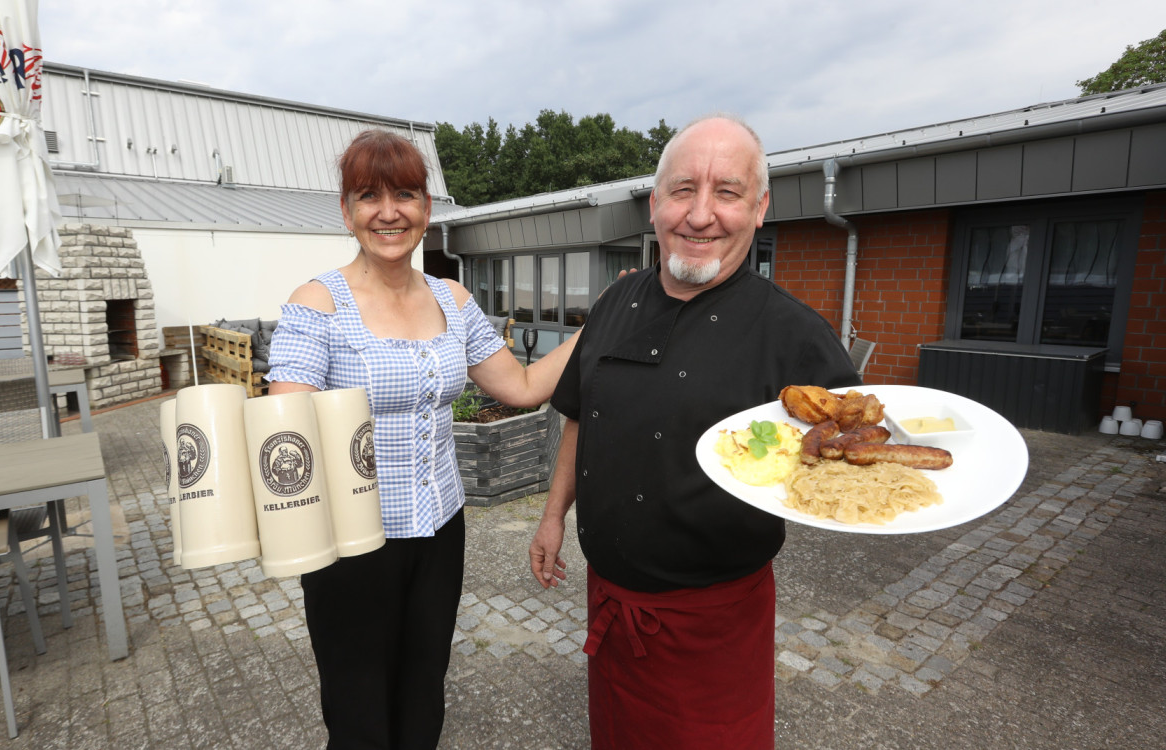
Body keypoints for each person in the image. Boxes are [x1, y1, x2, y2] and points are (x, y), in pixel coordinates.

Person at [528, 115, 861, 749]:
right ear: (655, 205)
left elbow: (852, 452)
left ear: (759, 209)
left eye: (727, 192)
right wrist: (552, 517)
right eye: (683, 190)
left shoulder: (793, 335)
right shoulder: (613, 305)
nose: (701, 215)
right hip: (611, 603)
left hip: (716, 627)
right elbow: (580, 416)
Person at [268, 129, 577, 750]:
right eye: (369, 196)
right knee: (358, 709)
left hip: (440, 531)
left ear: (427, 209)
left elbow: (520, 386)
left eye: (405, 195)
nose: (389, 212)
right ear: (346, 211)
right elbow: (286, 425)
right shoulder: (317, 303)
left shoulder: (452, 298)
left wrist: (601, 325)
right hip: (353, 544)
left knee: (423, 693)